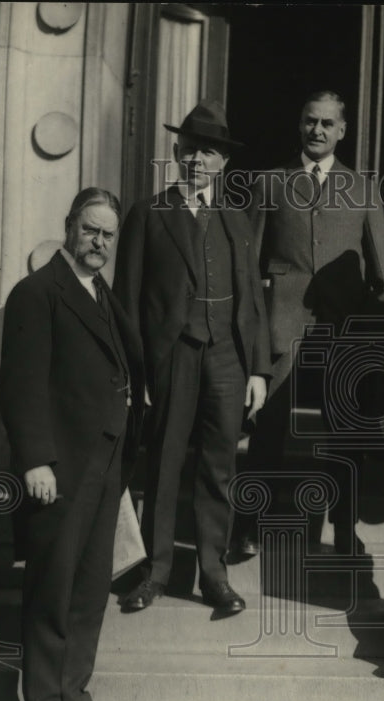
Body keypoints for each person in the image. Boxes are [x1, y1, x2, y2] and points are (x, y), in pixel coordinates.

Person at [0, 188, 145, 701]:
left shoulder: (103, 295)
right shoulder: (38, 294)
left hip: (107, 463)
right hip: (61, 467)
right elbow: (22, 385)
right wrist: (36, 459)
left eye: (108, 235)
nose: (99, 243)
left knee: (89, 589)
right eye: (90, 230)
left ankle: (74, 695)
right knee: (52, 587)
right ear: (69, 227)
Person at [114, 99, 270, 616]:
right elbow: (127, 301)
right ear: (176, 154)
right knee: (163, 464)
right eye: (189, 151)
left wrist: (259, 370)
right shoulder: (149, 213)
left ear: (223, 162)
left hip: (227, 356)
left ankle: (214, 576)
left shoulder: (237, 218)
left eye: (208, 153)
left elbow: (253, 299)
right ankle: (155, 572)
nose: (197, 161)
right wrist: (140, 373)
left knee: (218, 468)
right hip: (173, 356)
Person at [233, 90, 384, 557]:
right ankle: (247, 525)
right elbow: (248, 264)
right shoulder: (270, 183)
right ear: (299, 124)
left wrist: (366, 331)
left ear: (342, 130)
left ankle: (343, 532)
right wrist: (256, 330)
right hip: (281, 323)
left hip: (340, 330)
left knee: (343, 434)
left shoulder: (363, 189)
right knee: (265, 427)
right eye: (310, 121)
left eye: (327, 123)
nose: (317, 130)